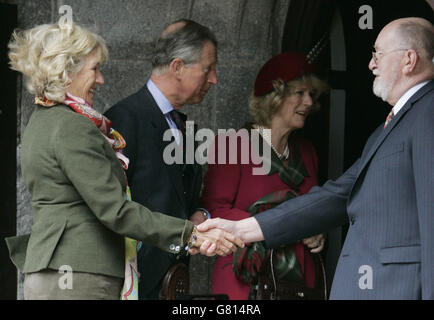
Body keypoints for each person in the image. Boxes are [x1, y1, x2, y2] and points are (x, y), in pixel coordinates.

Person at [197, 17, 434, 300]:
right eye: (300, 93)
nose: (371, 64)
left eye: (377, 54)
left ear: (409, 60)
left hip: (362, 284)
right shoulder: (388, 128)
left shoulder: (428, 113)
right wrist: (241, 228)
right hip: (250, 278)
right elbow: (335, 196)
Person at [5, 22, 242, 300]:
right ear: (66, 71)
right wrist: (190, 235)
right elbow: (114, 210)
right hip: (78, 274)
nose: (102, 79)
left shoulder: (43, 120)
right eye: (94, 69)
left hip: (61, 271)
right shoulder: (72, 125)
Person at [104, 19, 218, 299]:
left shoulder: (184, 126)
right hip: (133, 285)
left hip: (174, 284)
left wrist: (201, 215)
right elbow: (109, 207)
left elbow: (185, 200)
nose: (214, 79)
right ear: (178, 67)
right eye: (208, 69)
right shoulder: (124, 118)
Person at [200, 52, 328, 300]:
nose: (309, 102)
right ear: (275, 96)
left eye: (312, 94)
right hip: (246, 279)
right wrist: (282, 225)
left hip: (300, 282)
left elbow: (316, 208)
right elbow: (215, 210)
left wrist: (316, 231)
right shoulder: (233, 146)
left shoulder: (308, 152)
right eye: (300, 93)